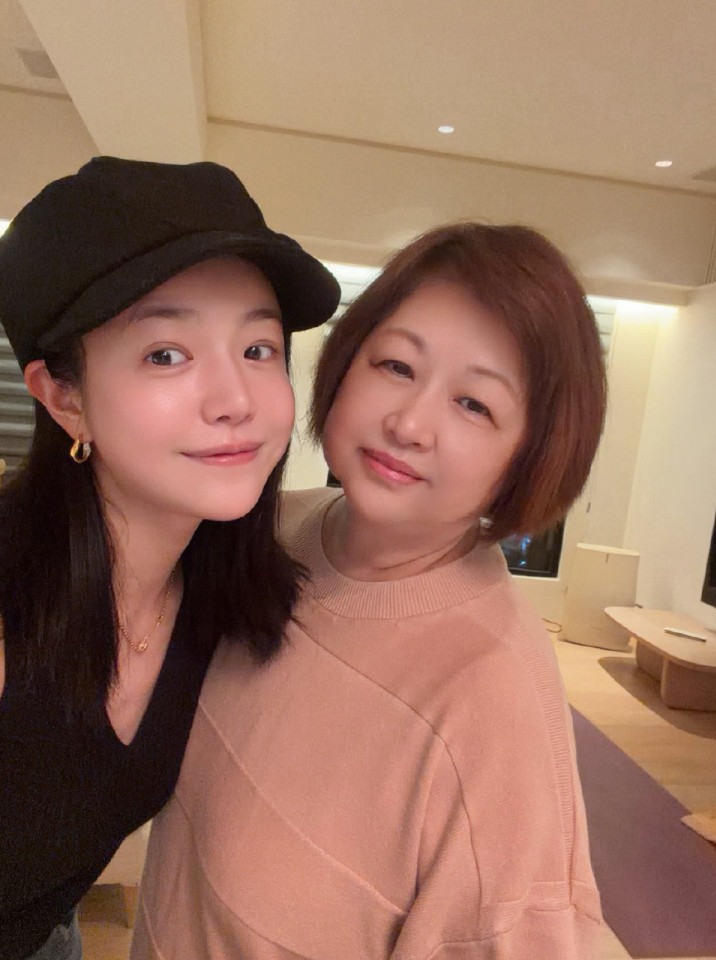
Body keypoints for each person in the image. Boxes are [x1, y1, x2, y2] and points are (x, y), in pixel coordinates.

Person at [133, 222, 606, 958]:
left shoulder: (493, 703)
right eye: (395, 365)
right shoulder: (264, 530)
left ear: (530, 456)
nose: (409, 423)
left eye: (475, 405)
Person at [0, 156, 340, 960]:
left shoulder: (219, 588)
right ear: (63, 396)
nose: (236, 400)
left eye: (258, 348)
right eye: (165, 354)